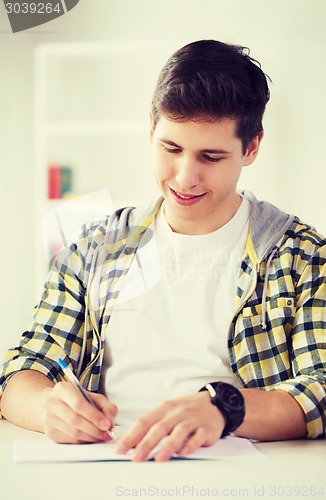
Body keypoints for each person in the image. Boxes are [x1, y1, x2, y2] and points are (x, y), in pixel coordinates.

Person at [0, 40, 325, 461]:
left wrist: (224, 408)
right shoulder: (93, 248)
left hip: (239, 478)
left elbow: (321, 385)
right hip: (103, 471)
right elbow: (21, 373)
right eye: (171, 149)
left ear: (252, 148)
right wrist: (48, 408)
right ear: (151, 128)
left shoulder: (300, 256)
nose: (184, 178)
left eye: (211, 156)